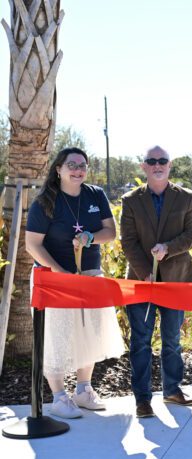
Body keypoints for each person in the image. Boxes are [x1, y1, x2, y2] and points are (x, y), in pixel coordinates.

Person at [25, 147, 124, 419]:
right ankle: (58, 397)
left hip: (90, 276)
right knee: (55, 337)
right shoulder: (45, 202)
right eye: (72, 165)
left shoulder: (96, 195)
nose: (78, 170)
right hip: (53, 280)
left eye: (82, 165)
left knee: (88, 333)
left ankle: (83, 390)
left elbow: (110, 232)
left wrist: (90, 238)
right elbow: (32, 245)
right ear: (59, 169)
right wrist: (59, 272)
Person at [121, 146, 192, 418]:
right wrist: (144, 271)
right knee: (141, 342)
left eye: (162, 161)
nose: (157, 165)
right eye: (151, 161)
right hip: (142, 282)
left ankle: (172, 390)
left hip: (176, 281)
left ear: (170, 165)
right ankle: (142, 399)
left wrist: (168, 247)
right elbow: (128, 242)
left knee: (172, 339)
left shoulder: (187, 198)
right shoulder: (131, 200)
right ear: (143, 166)